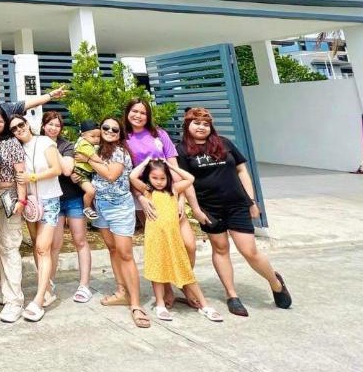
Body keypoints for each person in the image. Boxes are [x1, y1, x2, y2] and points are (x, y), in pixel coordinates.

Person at [176, 108, 292, 317]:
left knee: (249, 251)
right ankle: (232, 295)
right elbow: (186, 184)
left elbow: (242, 171)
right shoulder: (182, 150)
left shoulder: (224, 143)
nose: (201, 127)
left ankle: (276, 282)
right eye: (196, 123)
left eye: (205, 123)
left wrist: (251, 201)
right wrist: (196, 210)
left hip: (237, 204)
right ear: (187, 125)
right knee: (220, 249)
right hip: (209, 208)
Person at [122, 99, 207, 307]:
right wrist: (141, 198)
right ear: (127, 113)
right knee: (159, 247)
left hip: (171, 194)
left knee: (189, 244)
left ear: (148, 115)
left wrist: (181, 198)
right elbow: (128, 173)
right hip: (147, 196)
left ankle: (185, 283)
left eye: (143, 112)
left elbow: (174, 166)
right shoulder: (124, 138)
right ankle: (167, 288)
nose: (138, 116)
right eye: (134, 111)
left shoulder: (159, 134)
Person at [129, 157, 224, 323]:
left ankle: (205, 305)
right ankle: (160, 304)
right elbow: (132, 177)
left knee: (185, 268)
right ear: (149, 178)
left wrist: (170, 166)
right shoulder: (148, 191)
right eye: (154, 178)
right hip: (155, 239)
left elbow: (190, 178)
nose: (159, 182)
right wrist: (146, 162)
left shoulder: (173, 190)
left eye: (162, 178)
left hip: (173, 238)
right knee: (157, 271)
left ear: (168, 177)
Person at [78, 117, 150, 328]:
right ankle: (122, 291)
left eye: (114, 129)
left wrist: (88, 159)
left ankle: (136, 304)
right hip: (101, 206)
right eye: (105, 128)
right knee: (112, 249)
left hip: (120, 208)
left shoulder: (120, 151)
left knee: (125, 253)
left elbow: (111, 175)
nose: (109, 131)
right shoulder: (97, 150)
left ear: (120, 133)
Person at [11, 113, 65, 321]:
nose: (18, 129)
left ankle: (40, 299)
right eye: (14, 129)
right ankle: (48, 289)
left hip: (50, 201)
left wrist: (32, 177)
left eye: (20, 125)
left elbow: (57, 169)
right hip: (32, 204)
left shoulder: (44, 142)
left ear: (28, 124)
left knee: (43, 248)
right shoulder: (17, 149)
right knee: (37, 246)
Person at [39, 111, 93, 303]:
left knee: (80, 241)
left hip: (72, 198)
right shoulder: (37, 144)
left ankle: (84, 284)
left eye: (57, 125)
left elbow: (67, 169)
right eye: (50, 124)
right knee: (54, 245)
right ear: (43, 125)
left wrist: (52, 147)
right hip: (52, 201)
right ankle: (49, 282)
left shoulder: (66, 145)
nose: (53, 128)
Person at [0, 105, 27, 324]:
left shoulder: (12, 143)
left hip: (9, 195)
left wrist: (22, 198)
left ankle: (14, 300)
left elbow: (20, 173)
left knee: (9, 246)